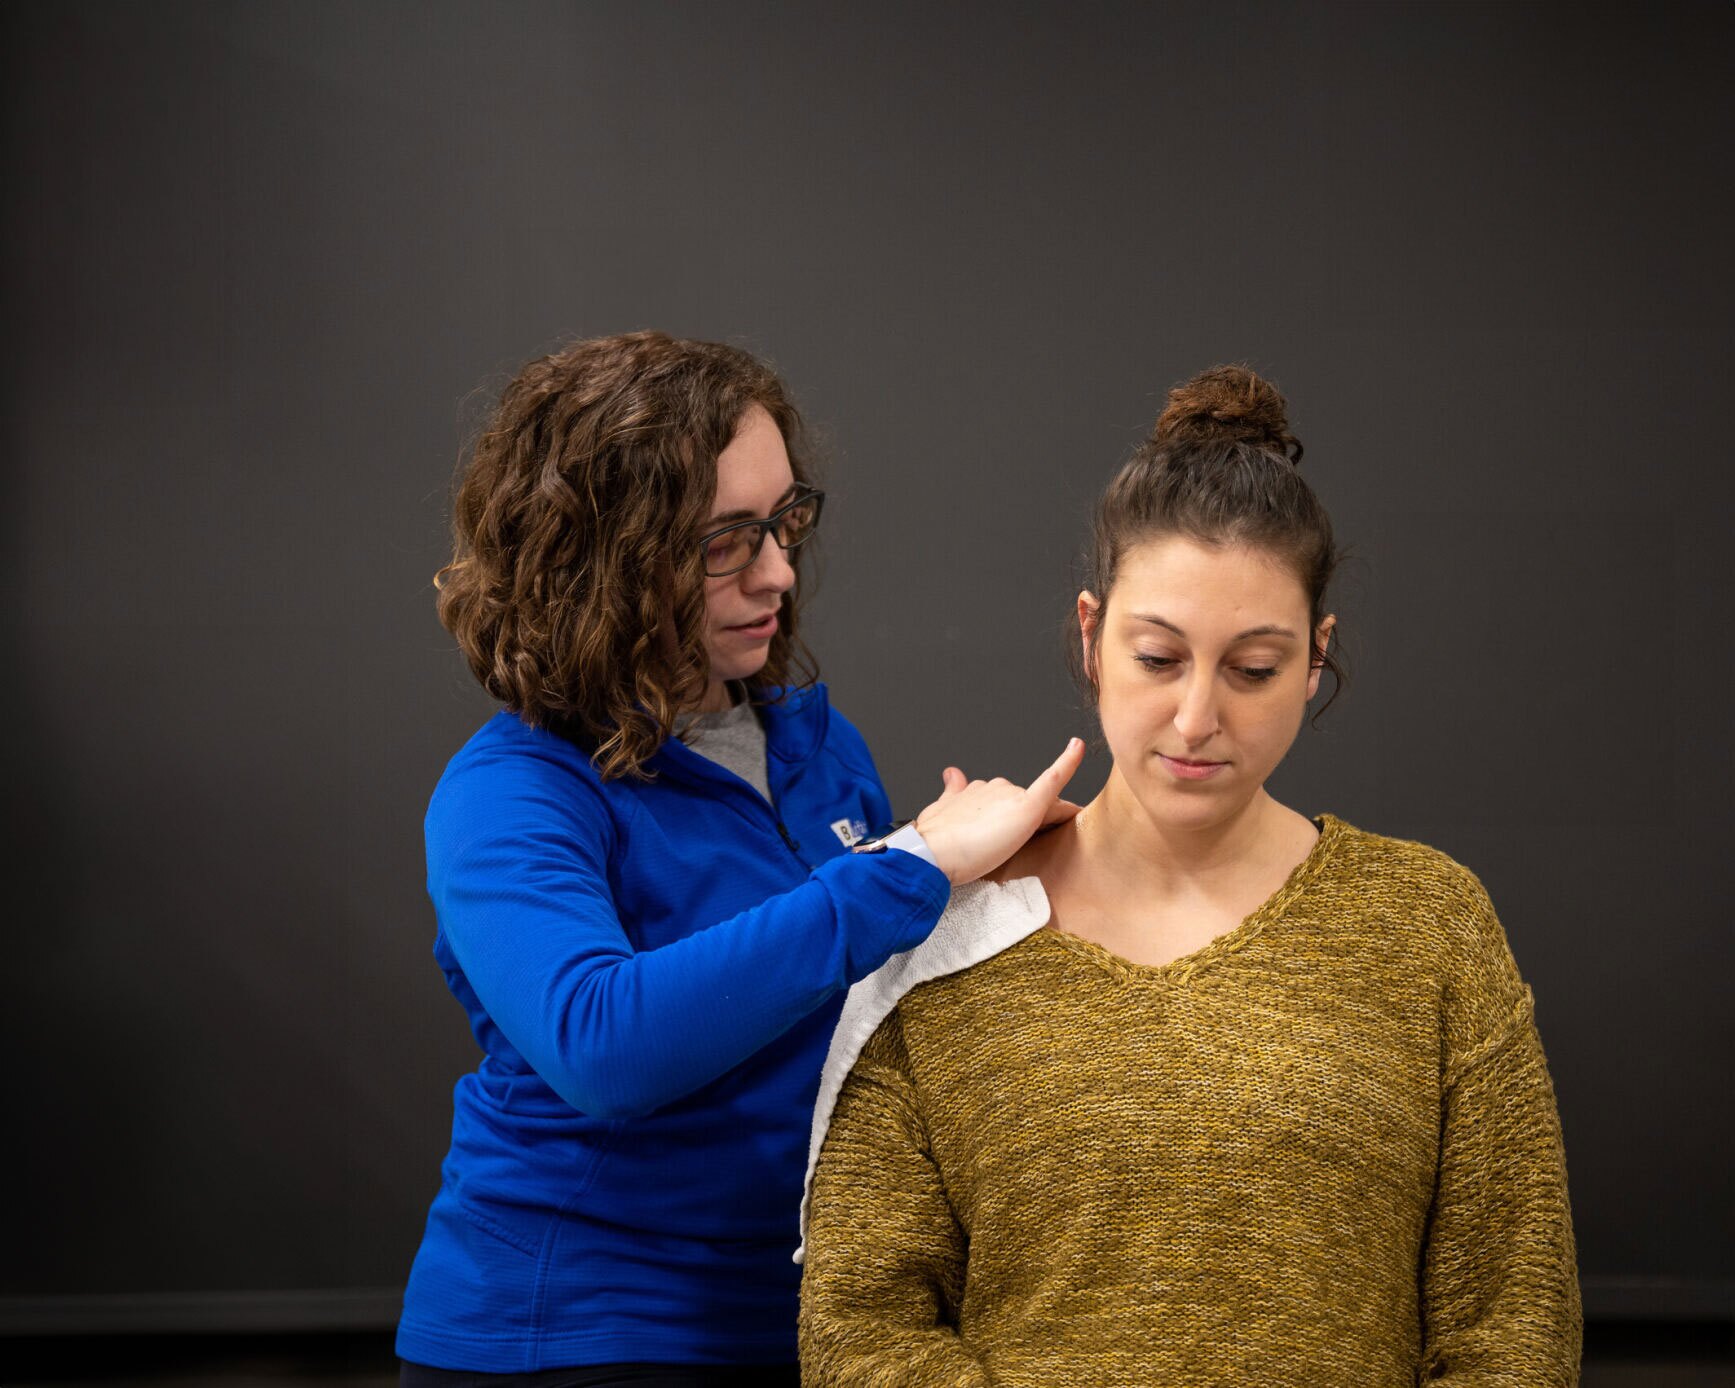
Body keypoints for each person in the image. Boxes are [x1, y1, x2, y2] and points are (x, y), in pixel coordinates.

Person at [797, 365, 1582, 1386]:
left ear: (1315, 658)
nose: (1197, 718)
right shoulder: (951, 928)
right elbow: (861, 1326)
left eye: (1252, 668)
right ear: (1091, 636)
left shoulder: (1424, 924)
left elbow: (1512, 1317)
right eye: (1159, 658)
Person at [395, 331, 1084, 1385]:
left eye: (783, 521)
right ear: (605, 557)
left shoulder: (814, 747)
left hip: (796, 1317)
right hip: (576, 1333)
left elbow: (839, 998)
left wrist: (965, 893)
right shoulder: (512, 791)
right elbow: (601, 1042)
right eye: (726, 541)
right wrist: (906, 870)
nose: (778, 569)